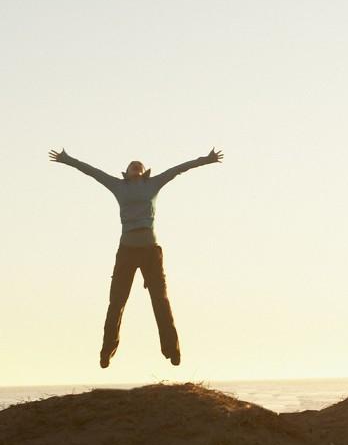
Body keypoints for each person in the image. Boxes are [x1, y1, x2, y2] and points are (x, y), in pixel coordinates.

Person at [48, 146, 223, 367]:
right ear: (126, 172)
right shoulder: (117, 186)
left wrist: (205, 160)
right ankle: (106, 352)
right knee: (116, 303)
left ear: (144, 171)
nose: (136, 166)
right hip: (127, 251)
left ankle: (172, 350)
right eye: (132, 165)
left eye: (139, 165)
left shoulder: (154, 183)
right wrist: (66, 159)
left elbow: (179, 169)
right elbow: (91, 172)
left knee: (160, 301)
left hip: (150, 251)